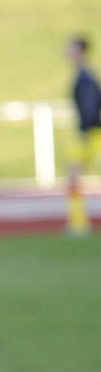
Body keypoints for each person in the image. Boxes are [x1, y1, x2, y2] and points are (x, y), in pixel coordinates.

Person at [65, 36, 101, 236]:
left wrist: (86, 131)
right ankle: (78, 222)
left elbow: (91, 107)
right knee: (73, 175)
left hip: (91, 134)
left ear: (80, 51)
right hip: (88, 132)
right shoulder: (85, 75)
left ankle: (78, 223)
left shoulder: (85, 77)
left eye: (71, 48)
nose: (67, 52)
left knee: (74, 175)